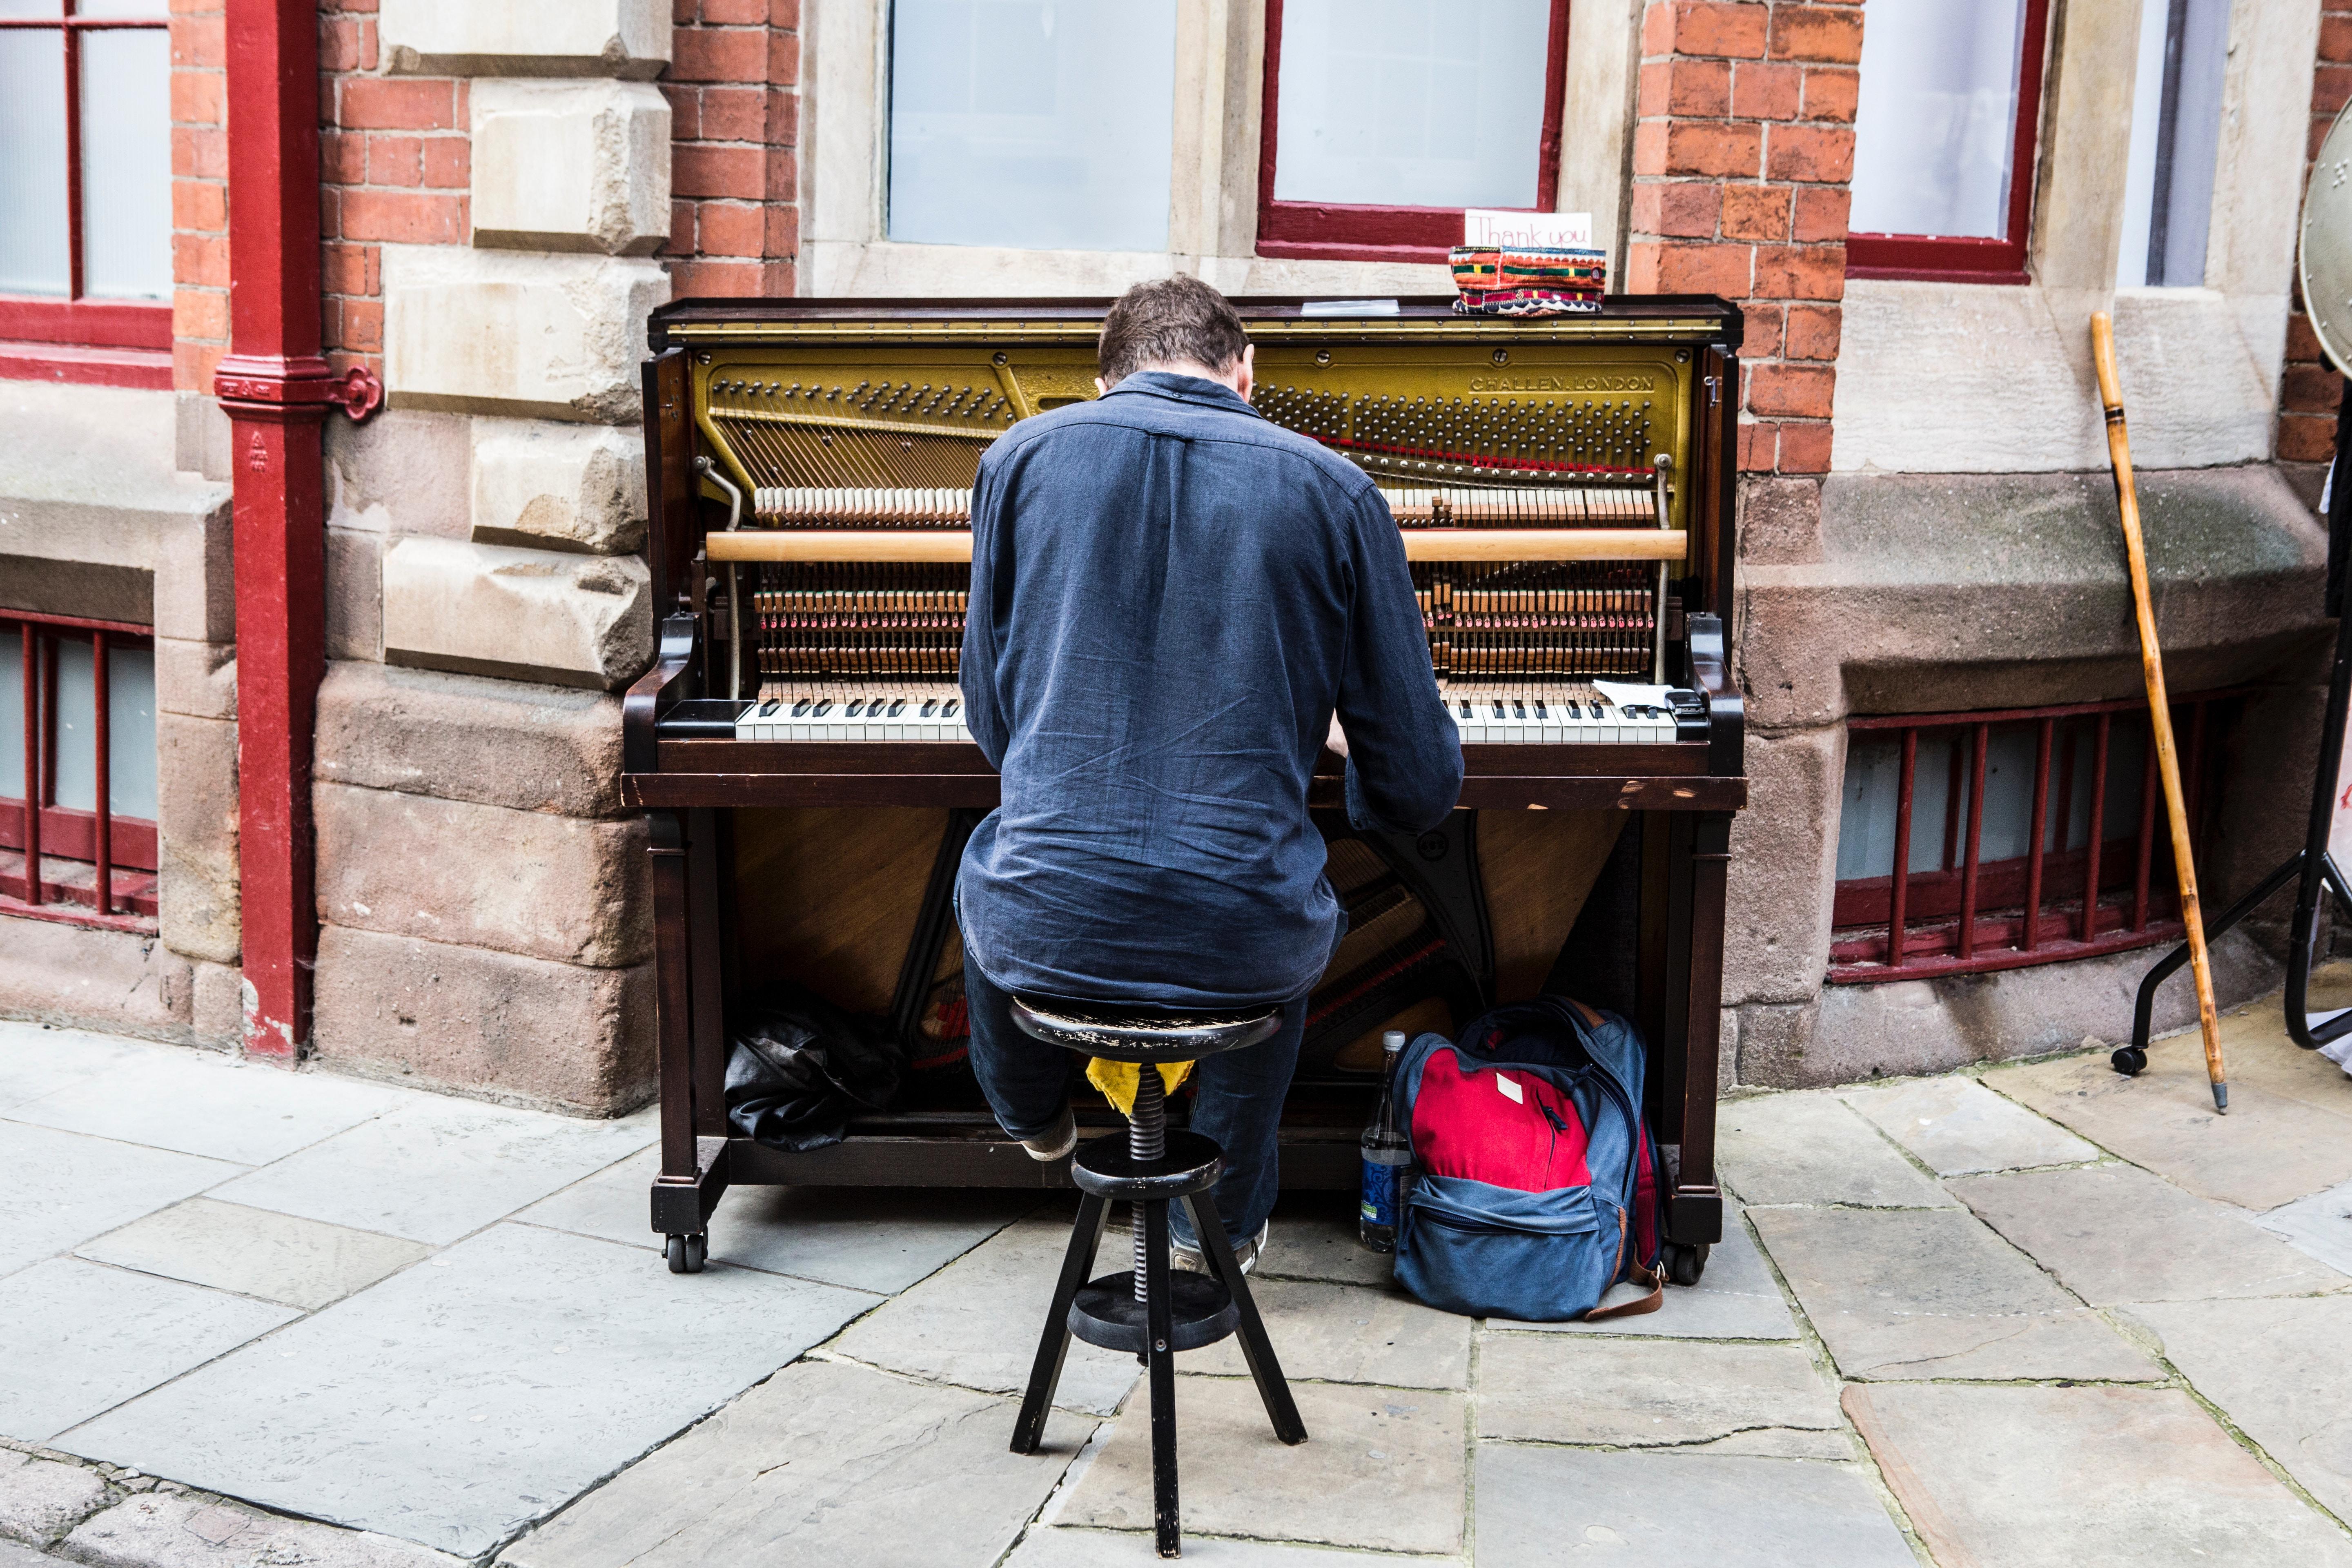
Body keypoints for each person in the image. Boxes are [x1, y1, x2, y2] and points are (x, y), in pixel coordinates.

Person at [956, 276, 1463, 1271]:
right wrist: (1321, 732)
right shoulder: (1335, 488)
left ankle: (1034, 1117)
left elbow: (994, 725)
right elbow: (1416, 786)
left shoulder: (1017, 460)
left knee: (1002, 865)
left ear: (1103, 380)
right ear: (1246, 372)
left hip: (1054, 920)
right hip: (1240, 936)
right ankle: (1215, 1215)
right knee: (1259, 885)